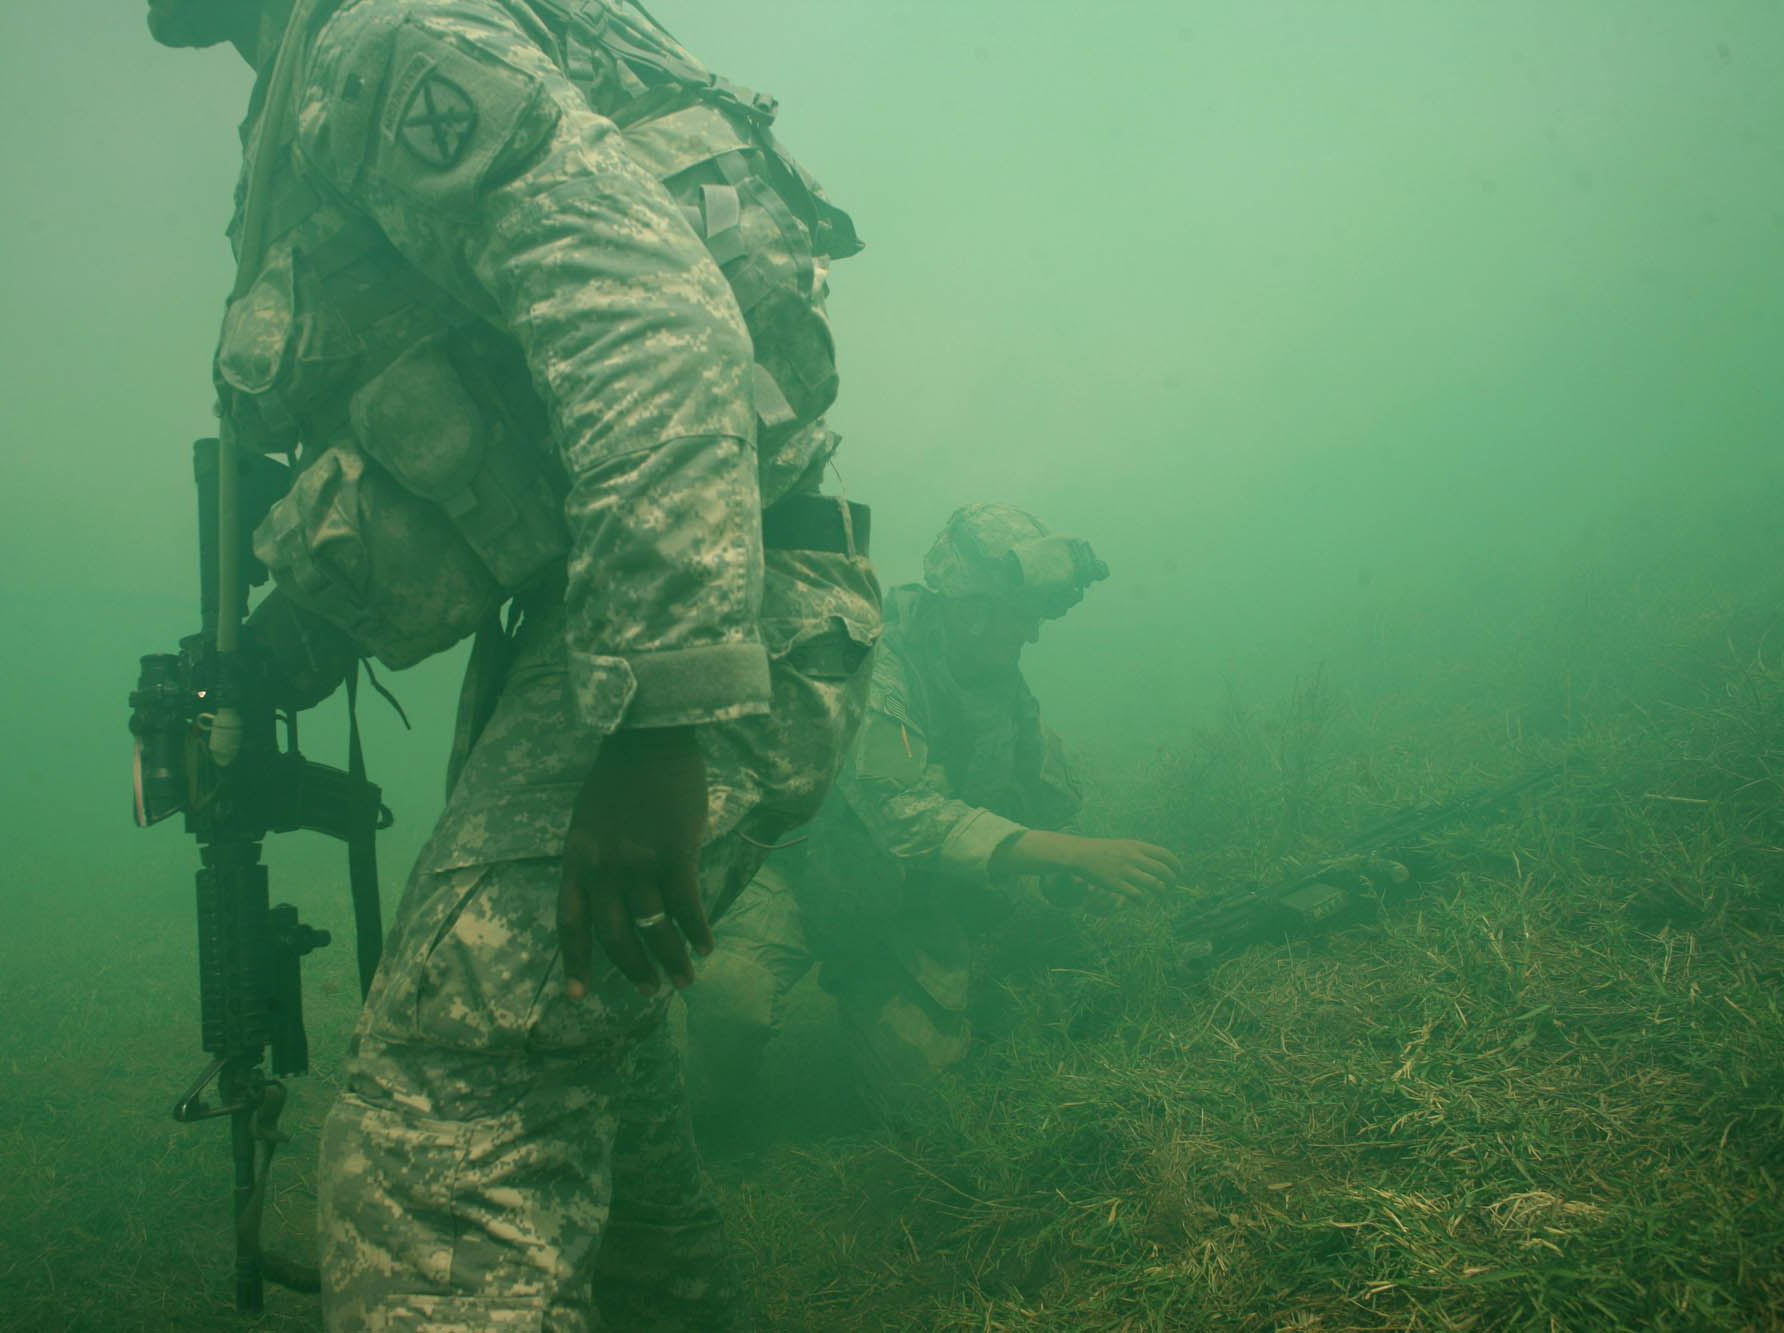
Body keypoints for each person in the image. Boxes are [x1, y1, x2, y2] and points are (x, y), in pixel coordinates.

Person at [147, 1, 879, 1328]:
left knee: (449, 1120)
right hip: (615, 619)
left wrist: (655, 717)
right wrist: (274, 661)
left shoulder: (383, 42)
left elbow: (650, 323)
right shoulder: (327, 82)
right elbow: (484, 441)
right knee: (592, 1072)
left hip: (695, 622)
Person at [685, 503, 1181, 1117]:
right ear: (968, 607)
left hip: (898, 908)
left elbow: (1049, 811)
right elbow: (901, 811)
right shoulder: (874, 664)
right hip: (793, 872)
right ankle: (710, 1125)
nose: (1030, 635)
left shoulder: (1003, 691)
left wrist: (1075, 876)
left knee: (927, 1102)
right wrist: (1073, 853)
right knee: (734, 1000)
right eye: (1017, 617)